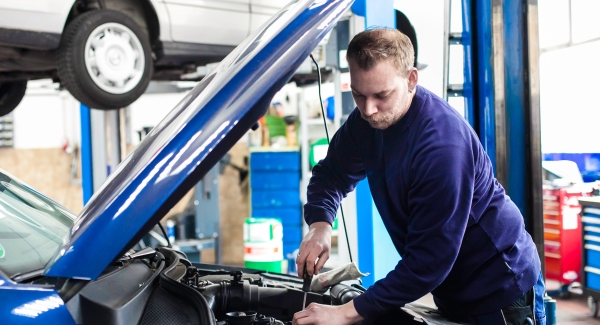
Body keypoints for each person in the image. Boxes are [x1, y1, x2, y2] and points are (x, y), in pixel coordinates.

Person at [292, 28, 545, 325]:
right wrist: (320, 225)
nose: (369, 109)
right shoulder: (365, 124)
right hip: (452, 287)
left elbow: (428, 262)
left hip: (498, 289)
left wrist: (345, 313)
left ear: (411, 79)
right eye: (359, 94)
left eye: (381, 95)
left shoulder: (442, 147)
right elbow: (331, 175)